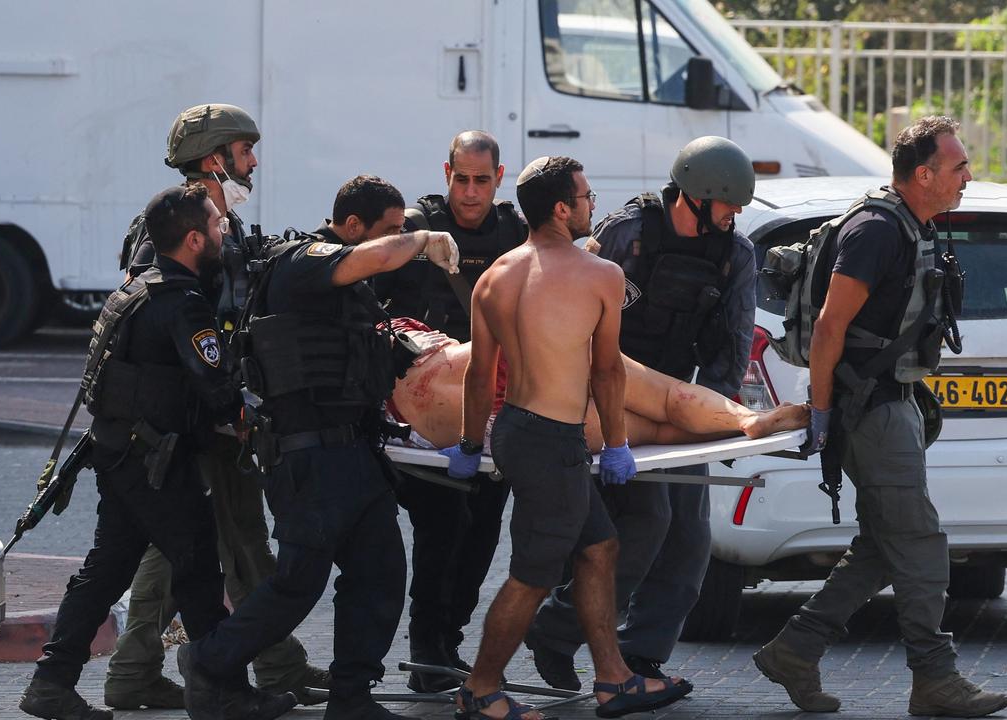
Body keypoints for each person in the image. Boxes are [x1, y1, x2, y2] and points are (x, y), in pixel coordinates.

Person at [753, 116, 1007, 717]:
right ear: (924, 175)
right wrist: (820, 413)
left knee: (880, 546)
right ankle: (935, 678)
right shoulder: (875, 230)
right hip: (871, 409)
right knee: (920, 543)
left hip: (893, 404)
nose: (967, 177)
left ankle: (796, 649)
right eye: (959, 167)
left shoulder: (909, 225)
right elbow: (829, 326)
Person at [177, 191, 462, 720]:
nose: (398, 238)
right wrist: (422, 240)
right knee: (298, 583)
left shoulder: (351, 289)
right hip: (307, 457)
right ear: (352, 225)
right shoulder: (302, 261)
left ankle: (352, 697)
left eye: (404, 229)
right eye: (391, 228)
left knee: (379, 573)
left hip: (354, 451)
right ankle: (209, 661)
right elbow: (375, 256)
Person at [18, 185, 294, 720]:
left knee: (107, 568)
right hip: (153, 462)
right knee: (198, 569)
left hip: (122, 453)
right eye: (215, 227)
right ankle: (221, 691)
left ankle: (51, 683)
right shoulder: (181, 303)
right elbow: (216, 388)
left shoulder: (135, 289)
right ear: (193, 239)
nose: (222, 233)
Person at [439, 156, 693, 720]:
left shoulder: (495, 276)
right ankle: (479, 689)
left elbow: (481, 375)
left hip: (517, 432)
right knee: (531, 574)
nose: (591, 205)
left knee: (599, 549)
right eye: (584, 197)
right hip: (552, 443)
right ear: (561, 208)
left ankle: (614, 679)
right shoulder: (600, 275)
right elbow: (608, 372)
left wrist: (468, 445)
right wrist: (621, 443)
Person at [107, 104, 328, 709]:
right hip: (192, 416)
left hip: (217, 408)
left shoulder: (220, 221)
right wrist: (219, 403)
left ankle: (272, 663)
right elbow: (166, 319)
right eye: (244, 149)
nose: (253, 160)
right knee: (196, 543)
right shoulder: (177, 227)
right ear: (214, 159)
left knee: (233, 538)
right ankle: (143, 671)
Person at [526, 136, 758, 689]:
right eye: (727, 203)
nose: (735, 215)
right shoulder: (625, 235)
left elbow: (733, 345)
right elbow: (571, 312)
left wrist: (719, 426)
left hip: (677, 402)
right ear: (695, 196)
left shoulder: (735, 254)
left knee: (690, 539)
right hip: (606, 395)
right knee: (647, 523)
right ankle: (557, 632)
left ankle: (642, 655)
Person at [372, 130, 529, 692]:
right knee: (443, 525)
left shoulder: (515, 230)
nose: (469, 192)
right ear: (446, 174)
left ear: (499, 178)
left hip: (493, 407)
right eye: (460, 179)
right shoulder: (414, 229)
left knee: (485, 526)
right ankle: (426, 641)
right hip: (423, 411)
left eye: (481, 180)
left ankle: (448, 638)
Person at [384, 317, 808, 451]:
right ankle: (744, 418)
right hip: (512, 357)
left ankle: (742, 423)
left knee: (653, 432)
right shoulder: (399, 327)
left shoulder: (379, 406)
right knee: (662, 396)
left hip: (497, 426)